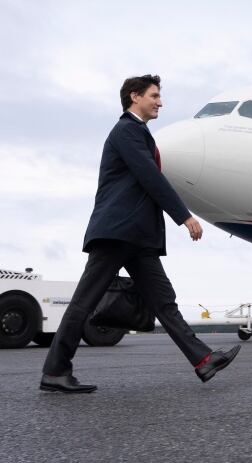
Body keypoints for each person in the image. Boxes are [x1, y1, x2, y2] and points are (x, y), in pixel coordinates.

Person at [40, 75, 240, 393]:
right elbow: (150, 177)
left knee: (164, 302)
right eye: (154, 95)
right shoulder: (126, 131)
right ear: (135, 97)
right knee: (83, 303)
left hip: (138, 237)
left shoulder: (139, 133)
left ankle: (204, 360)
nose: (160, 102)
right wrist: (184, 216)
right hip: (118, 232)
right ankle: (55, 371)